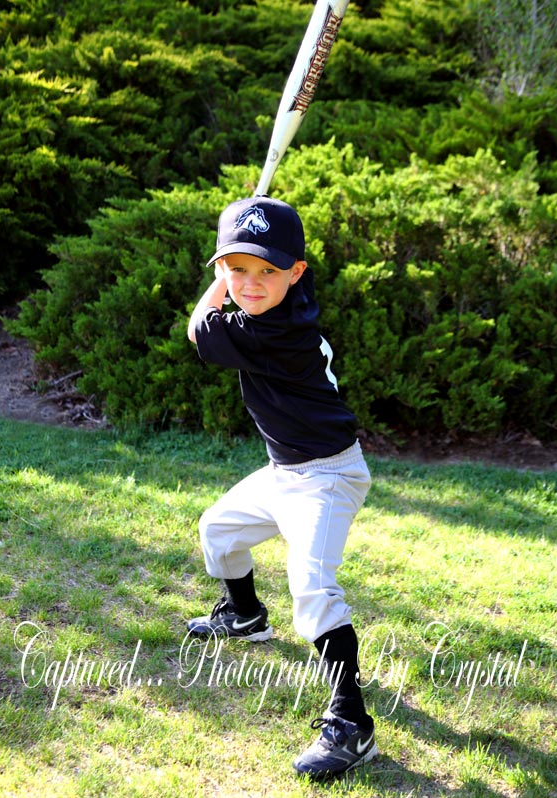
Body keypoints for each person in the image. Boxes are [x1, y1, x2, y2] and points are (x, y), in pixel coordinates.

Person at [186, 195, 377, 780]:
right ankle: (245, 615)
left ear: (296, 273)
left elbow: (198, 328)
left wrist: (220, 280)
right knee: (218, 531)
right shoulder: (286, 302)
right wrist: (239, 260)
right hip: (285, 470)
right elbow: (238, 298)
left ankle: (352, 725)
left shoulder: (272, 332)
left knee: (313, 588)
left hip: (327, 476)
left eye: (267, 270)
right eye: (238, 268)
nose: (251, 283)